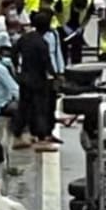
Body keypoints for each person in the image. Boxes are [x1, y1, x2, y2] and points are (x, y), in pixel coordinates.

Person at [11, 11, 57, 151]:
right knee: (40, 109)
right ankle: (42, 139)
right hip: (38, 80)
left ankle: (17, 134)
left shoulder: (25, 38)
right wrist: (54, 75)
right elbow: (46, 63)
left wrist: (17, 69)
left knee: (23, 107)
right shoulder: (42, 43)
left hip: (25, 78)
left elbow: (14, 52)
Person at [39, 7, 66, 141]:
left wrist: (61, 71)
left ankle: (49, 131)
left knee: (51, 105)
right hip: (41, 74)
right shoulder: (35, 36)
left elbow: (58, 52)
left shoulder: (54, 34)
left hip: (53, 74)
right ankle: (41, 133)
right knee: (41, 105)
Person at [53, 0, 94, 64]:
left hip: (77, 24)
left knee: (77, 47)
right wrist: (64, 26)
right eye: (77, 9)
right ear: (73, 4)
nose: (78, 11)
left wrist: (82, 27)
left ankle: (76, 66)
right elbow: (56, 12)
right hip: (63, 23)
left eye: (80, 10)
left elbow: (88, 16)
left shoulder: (89, 2)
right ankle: (63, 66)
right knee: (63, 46)